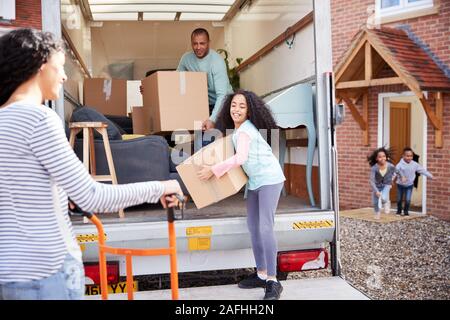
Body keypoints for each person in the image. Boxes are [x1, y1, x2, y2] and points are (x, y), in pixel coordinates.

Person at [0, 28, 183, 300]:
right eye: (60, 67)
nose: (63, 76)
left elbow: (19, 191)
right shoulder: (40, 120)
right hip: (48, 273)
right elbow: (93, 197)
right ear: (40, 66)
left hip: (9, 274)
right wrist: (162, 186)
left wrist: (61, 198)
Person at [197, 90, 285, 300]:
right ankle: (262, 274)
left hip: (270, 180)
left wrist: (213, 170)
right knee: (253, 227)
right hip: (255, 182)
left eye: (242, 106)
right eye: (234, 105)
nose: (236, 109)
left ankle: (273, 281)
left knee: (264, 227)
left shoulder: (245, 130)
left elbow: (240, 157)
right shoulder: (237, 131)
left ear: (249, 111)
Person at [177, 28, 233, 132]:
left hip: (224, 103)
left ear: (209, 43)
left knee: (219, 135)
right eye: (195, 44)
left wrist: (212, 119)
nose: (198, 47)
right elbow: (173, 82)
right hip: (204, 104)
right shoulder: (186, 59)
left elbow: (223, 95)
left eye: (202, 43)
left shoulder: (217, 61)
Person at [395, 147, 433, 216]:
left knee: (408, 200)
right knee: (399, 199)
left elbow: (422, 170)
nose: (409, 158)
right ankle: (399, 211)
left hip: (409, 185)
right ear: (403, 156)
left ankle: (406, 212)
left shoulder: (415, 164)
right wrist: (390, 180)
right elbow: (395, 173)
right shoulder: (399, 165)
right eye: (407, 156)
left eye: (411, 156)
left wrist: (431, 176)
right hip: (400, 185)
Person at [367, 147, 396, 220]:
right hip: (376, 186)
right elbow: (371, 181)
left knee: (383, 197)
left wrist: (392, 179)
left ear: (386, 157)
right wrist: (376, 191)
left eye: (384, 156)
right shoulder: (374, 168)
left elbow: (396, 172)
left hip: (386, 185)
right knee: (375, 202)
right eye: (380, 157)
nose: (382, 158)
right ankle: (377, 212)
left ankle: (386, 202)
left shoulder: (390, 166)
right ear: (376, 158)